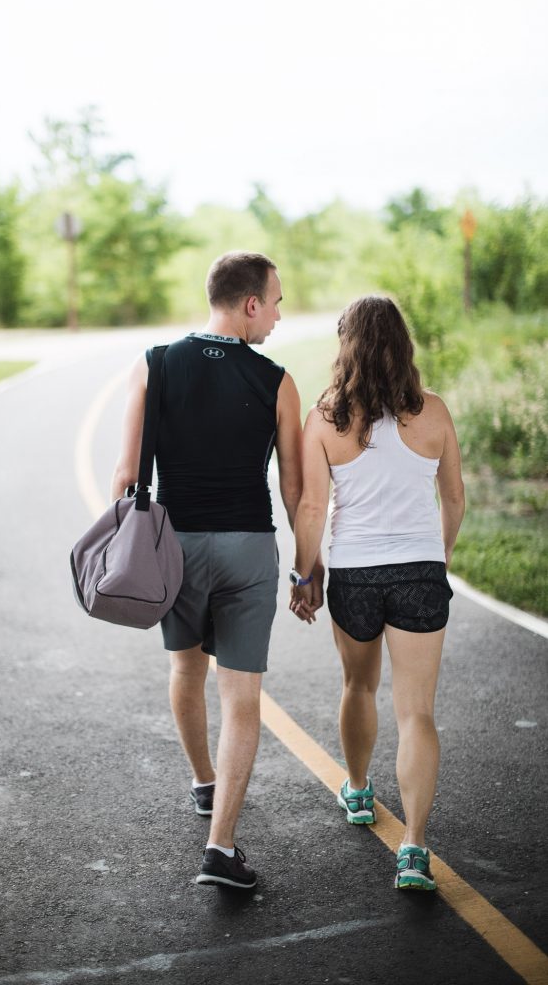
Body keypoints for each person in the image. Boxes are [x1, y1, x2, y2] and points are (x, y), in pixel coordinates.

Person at [111, 251, 312, 889]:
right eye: (276, 302)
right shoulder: (277, 381)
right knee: (242, 699)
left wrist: (124, 553)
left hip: (178, 544)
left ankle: (204, 780)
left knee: (185, 670)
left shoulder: (155, 366)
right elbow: (296, 489)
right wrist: (309, 568)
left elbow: (124, 476)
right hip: (249, 548)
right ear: (250, 303)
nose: (278, 316)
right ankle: (220, 847)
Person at [290, 295, 465, 891]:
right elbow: (456, 498)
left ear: (347, 346)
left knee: (357, 685)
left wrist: (304, 573)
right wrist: (437, 559)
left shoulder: (327, 418)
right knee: (416, 713)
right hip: (418, 572)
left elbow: (313, 507)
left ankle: (359, 792)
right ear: (402, 344)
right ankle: (414, 849)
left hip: (357, 574)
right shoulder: (434, 412)